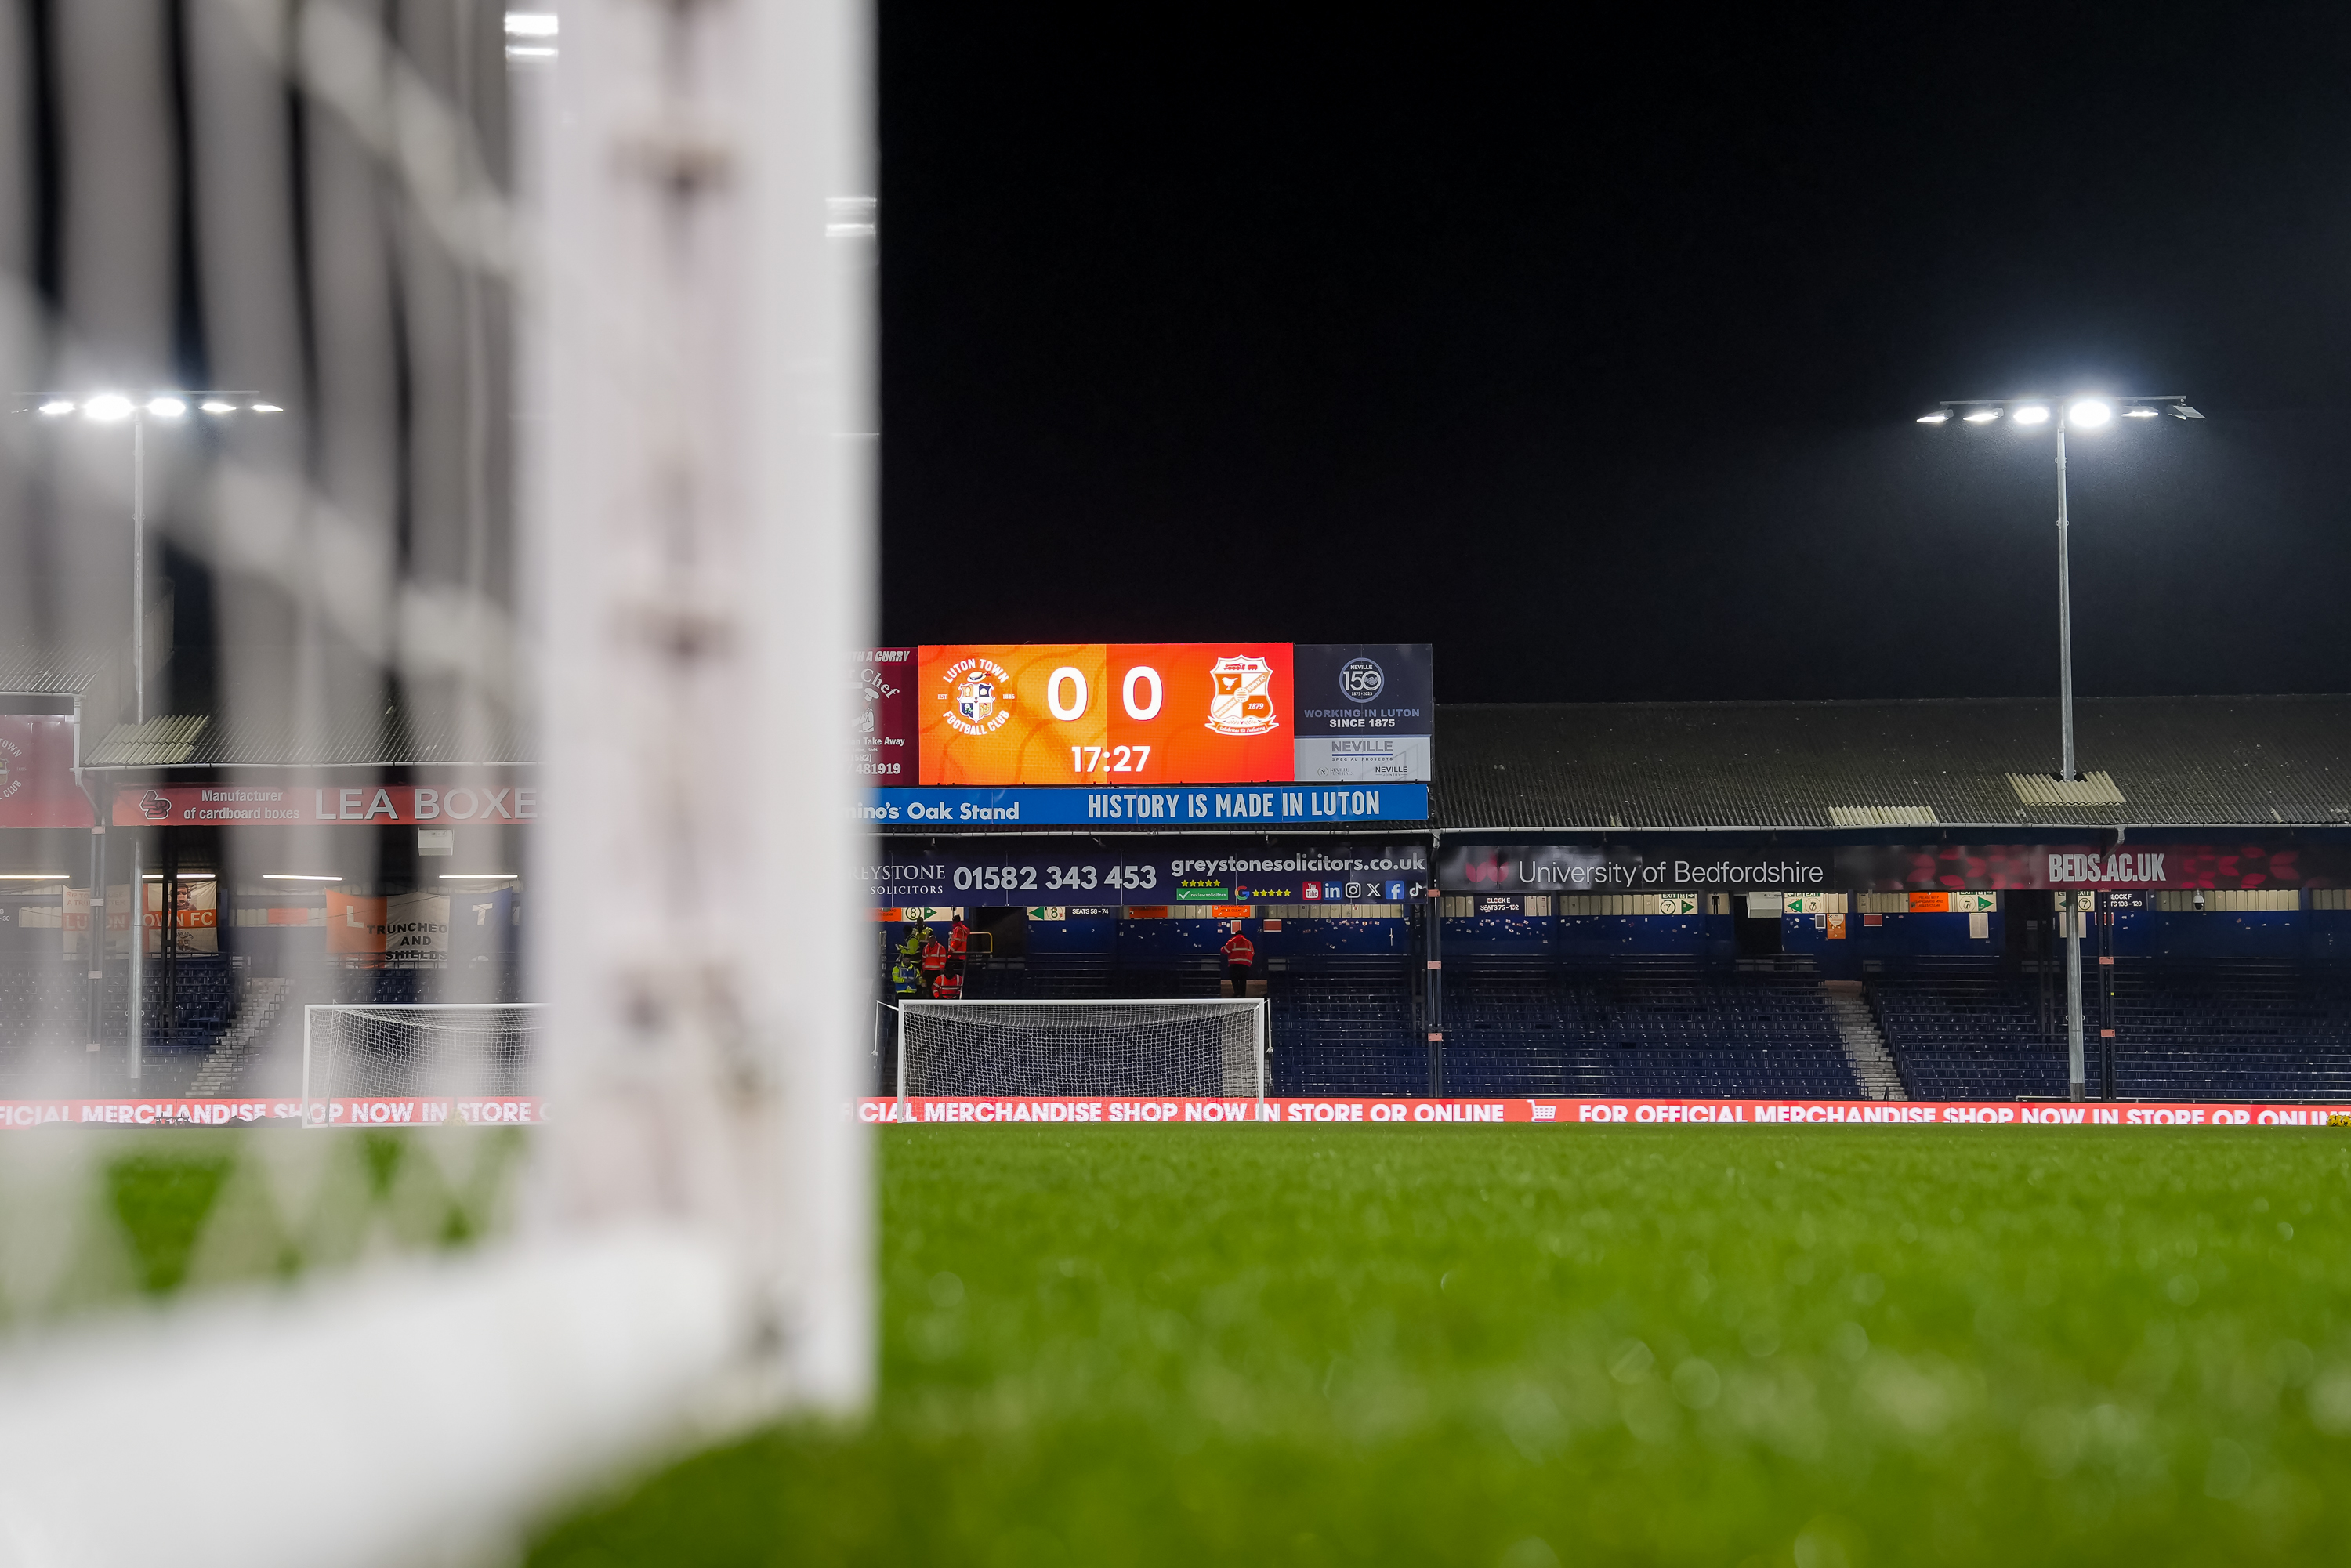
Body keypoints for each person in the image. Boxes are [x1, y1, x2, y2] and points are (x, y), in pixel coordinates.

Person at [1221, 919, 1255, 998]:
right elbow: (1252, 953)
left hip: (1235, 964)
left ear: (1235, 935)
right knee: (1243, 980)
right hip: (1246, 965)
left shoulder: (1233, 941)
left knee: (1235, 979)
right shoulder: (1249, 942)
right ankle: (1243, 995)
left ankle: (1237, 993)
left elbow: (1224, 950)